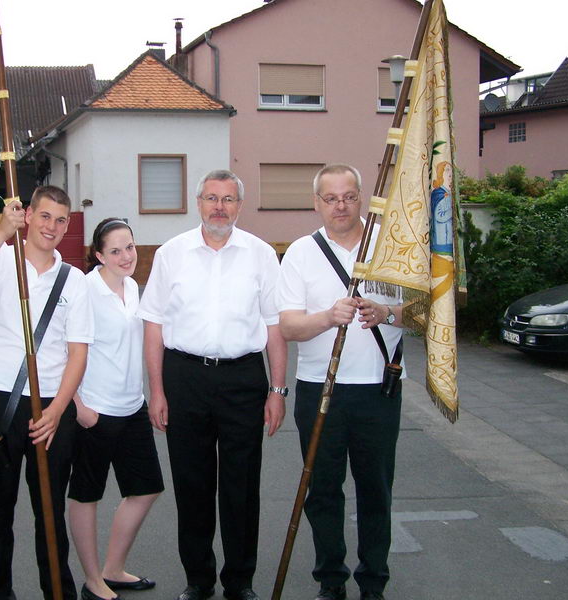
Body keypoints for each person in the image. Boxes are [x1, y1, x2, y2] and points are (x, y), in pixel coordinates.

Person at [137, 170, 287, 600]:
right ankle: (198, 581)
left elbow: (275, 326)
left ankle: (240, 582)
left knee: (242, 488)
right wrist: (158, 391)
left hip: (243, 379)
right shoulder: (171, 254)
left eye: (228, 199)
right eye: (211, 198)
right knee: (192, 485)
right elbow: (154, 325)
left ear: (240, 205)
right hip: (185, 378)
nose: (219, 207)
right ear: (197, 202)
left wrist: (277, 390)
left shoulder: (261, 255)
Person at [0, 185, 93, 600]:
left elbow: (77, 354)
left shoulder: (75, 281)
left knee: (49, 515)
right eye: (44, 216)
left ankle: (57, 593)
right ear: (28, 215)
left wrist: (58, 410)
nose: (52, 227)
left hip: (52, 406)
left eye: (60, 220)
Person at [276, 164, 405, 600]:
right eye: (330, 198)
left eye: (349, 196)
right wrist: (328, 317)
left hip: (377, 389)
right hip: (319, 388)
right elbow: (289, 327)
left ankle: (374, 582)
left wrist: (388, 313)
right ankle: (331, 580)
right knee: (323, 490)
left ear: (361, 197)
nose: (340, 206)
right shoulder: (299, 253)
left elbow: (427, 310)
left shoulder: (393, 245)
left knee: (376, 490)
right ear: (317, 203)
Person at [68, 218, 165, 600]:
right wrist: (78, 406)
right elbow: (63, 351)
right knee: (86, 495)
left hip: (132, 407)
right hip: (94, 411)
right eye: (115, 250)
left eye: (130, 247)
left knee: (146, 489)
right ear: (98, 255)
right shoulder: (85, 290)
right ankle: (93, 580)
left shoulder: (134, 287)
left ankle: (113, 568)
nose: (126, 257)